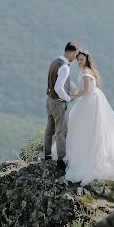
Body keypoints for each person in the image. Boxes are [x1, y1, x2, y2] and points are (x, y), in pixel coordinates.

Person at [54, 48, 114, 186]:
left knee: (83, 127)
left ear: (86, 59)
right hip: (91, 99)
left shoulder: (86, 73)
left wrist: (73, 97)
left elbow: (85, 91)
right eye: (78, 59)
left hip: (89, 101)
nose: (79, 61)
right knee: (82, 126)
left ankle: (84, 154)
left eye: (82, 59)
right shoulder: (86, 71)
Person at [44, 41, 79, 171]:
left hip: (49, 100)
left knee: (49, 129)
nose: (75, 58)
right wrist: (68, 98)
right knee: (61, 131)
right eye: (75, 55)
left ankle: (47, 155)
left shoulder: (54, 61)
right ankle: (61, 160)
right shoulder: (65, 67)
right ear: (71, 52)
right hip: (58, 102)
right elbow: (58, 87)